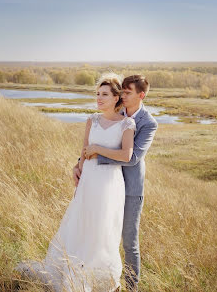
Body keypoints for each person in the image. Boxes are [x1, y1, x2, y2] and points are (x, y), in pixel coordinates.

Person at [14, 72, 136, 292]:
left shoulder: (127, 124)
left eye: (105, 94)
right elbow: (83, 152)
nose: (99, 98)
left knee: (104, 228)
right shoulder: (92, 120)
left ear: (117, 97)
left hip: (110, 185)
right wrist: (77, 170)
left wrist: (98, 149)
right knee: (81, 224)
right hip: (88, 181)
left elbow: (127, 156)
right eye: (97, 94)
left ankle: (101, 279)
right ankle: (75, 273)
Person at [73, 74, 158, 292]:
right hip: (103, 186)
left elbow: (133, 157)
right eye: (122, 92)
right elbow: (95, 140)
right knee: (99, 234)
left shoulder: (148, 123)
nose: (123, 95)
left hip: (130, 190)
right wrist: (80, 164)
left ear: (141, 95)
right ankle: (100, 280)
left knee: (129, 242)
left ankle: (132, 288)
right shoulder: (115, 113)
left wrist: (97, 157)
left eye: (128, 93)